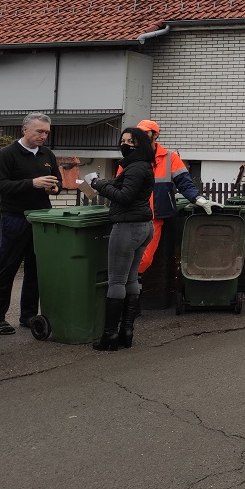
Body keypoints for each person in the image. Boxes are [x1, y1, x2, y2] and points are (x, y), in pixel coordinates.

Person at [0, 113, 62, 335]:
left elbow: (56, 182)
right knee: (7, 267)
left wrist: (53, 188)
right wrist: (32, 183)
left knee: (36, 269)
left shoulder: (48, 154)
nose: (43, 136)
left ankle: (28, 315)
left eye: (46, 132)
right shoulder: (7, 154)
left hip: (42, 219)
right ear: (25, 130)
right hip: (16, 217)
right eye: (39, 131)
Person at [83, 126, 155, 351]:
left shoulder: (135, 168)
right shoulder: (141, 166)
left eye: (130, 142)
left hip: (128, 228)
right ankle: (126, 332)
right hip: (143, 226)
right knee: (131, 279)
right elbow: (125, 190)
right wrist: (104, 183)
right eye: (123, 140)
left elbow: (124, 197)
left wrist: (98, 185)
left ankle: (109, 336)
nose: (124, 145)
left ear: (139, 144)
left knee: (116, 282)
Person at [134, 119, 217, 276]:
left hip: (154, 216)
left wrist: (199, 200)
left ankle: (132, 290)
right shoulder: (130, 157)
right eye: (139, 133)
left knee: (143, 259)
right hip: (132, 215)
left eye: (145, 133)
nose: (141, 136)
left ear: (155, 135)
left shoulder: (169, 158)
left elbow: (184, 183)